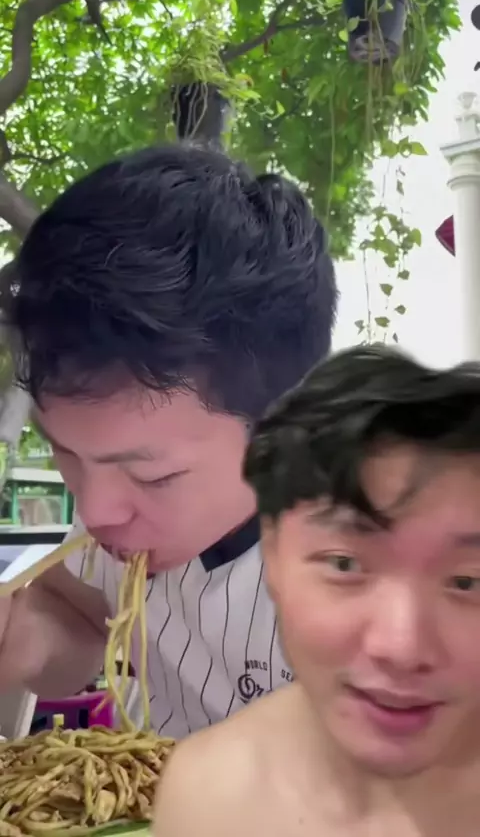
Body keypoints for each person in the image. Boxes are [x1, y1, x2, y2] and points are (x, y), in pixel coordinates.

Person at [0, 143, 337, 737]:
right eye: (65, 452)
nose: (95, 512)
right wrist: (27, 640)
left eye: (152, 476)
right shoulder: (111, 509)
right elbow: (81, 615)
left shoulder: (382, 574)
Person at [155, 344, 480, 837]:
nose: (402, 647)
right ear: (272, 554)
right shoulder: (207, 798)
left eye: (467, 581)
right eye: (345, 564)